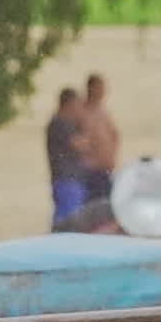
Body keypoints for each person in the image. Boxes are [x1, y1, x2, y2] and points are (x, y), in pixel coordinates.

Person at [46, 88, 90, 227]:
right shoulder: (60, 123)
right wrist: (85, 123)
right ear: (69, 104)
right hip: (66, 179)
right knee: (69, 220)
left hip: (69, 179)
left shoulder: (65, 124)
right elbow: (81, 145)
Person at [78, 72, 120, 201]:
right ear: (90, 88)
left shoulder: (103, 111)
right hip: (90, 171)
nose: (103, 91)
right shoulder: (81, 111)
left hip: (106, 170)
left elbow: (114, 135)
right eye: (99, 88)